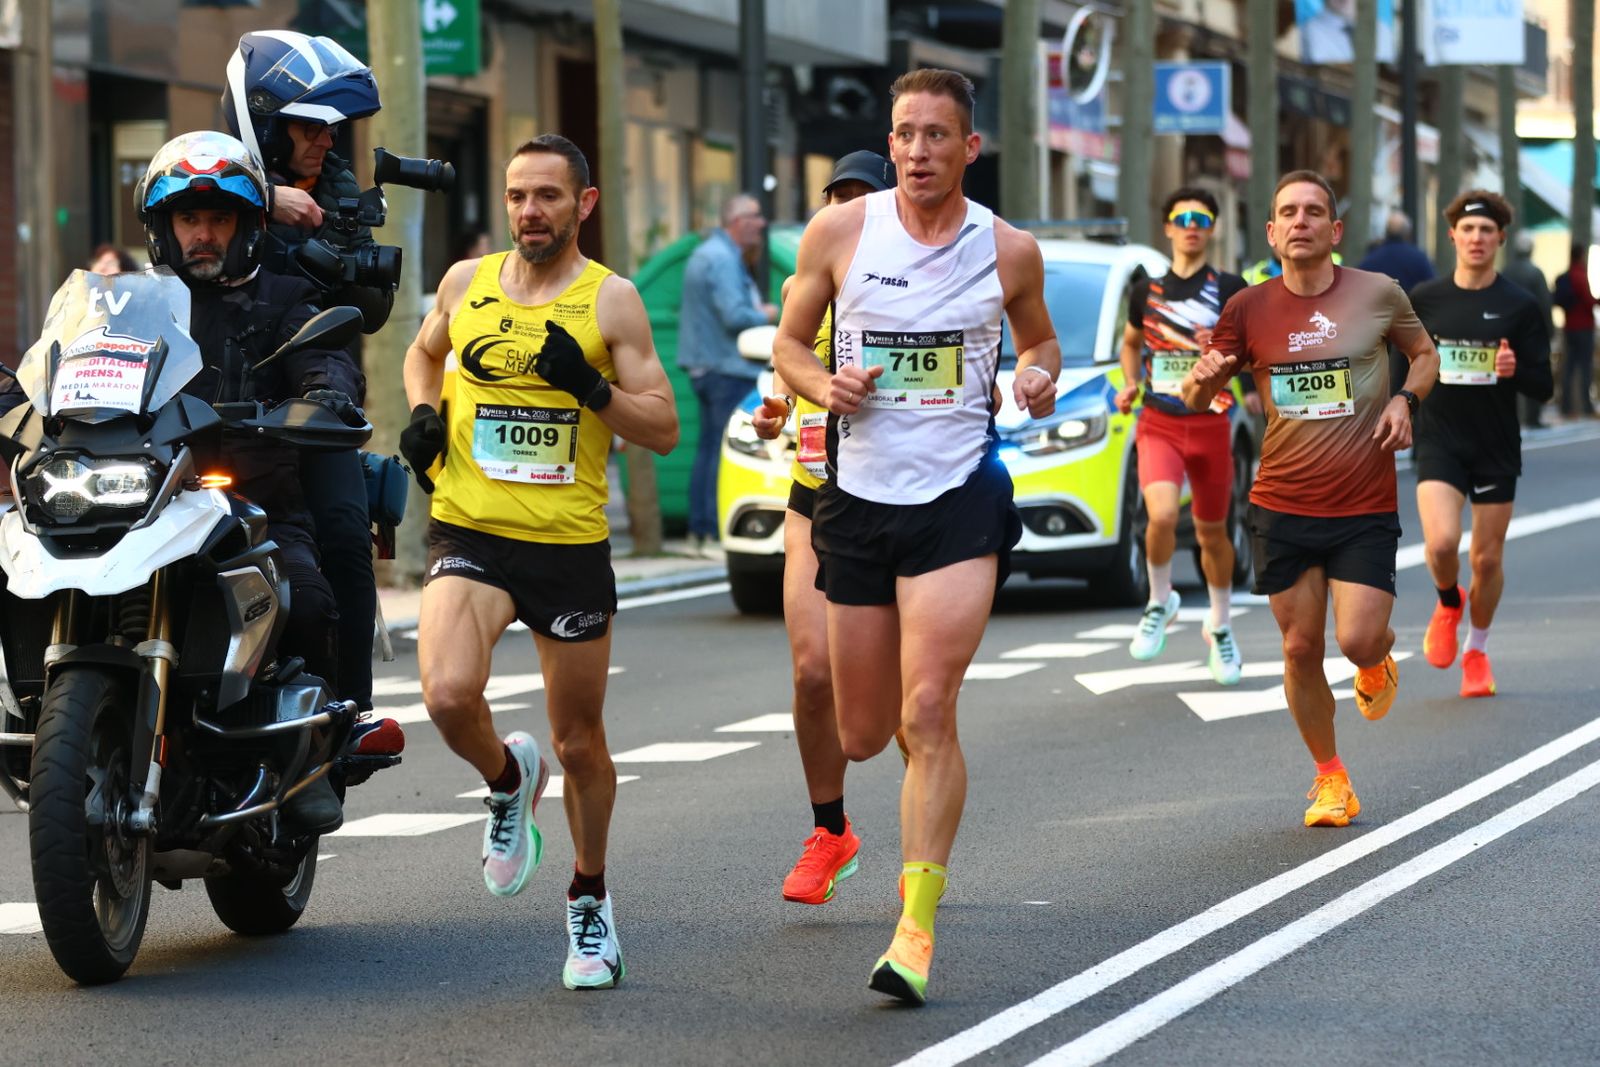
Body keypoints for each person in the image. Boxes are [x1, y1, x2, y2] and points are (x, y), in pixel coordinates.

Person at [773, 68, 1060, 1005]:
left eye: (938, 135)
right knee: (863, 731)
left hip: (958, 498)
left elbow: (1040, 342)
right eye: (906, 134)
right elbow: (788, 344)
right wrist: (822, 385)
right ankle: (857, 830)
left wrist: (1037, 375)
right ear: (890, 143)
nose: (919, 150)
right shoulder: (840, 233)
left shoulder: (1007, 249)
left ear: (969, 147)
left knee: (928, 709)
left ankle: (915, 926)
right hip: (856, 501)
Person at [0, 132, 371, 832]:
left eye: (218, 218)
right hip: (136, 494)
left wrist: (323, 392)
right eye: (188, 218)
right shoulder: (117, 304)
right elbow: (51, 363)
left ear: (247, 225)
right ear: (162, 226)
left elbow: (325, 358)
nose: (202, 234)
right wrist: (15, 398)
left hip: (245, 499)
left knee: (305, 594)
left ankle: (317, 749)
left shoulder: (286, 299)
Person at [399, 134, 678, 990]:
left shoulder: (612, 301)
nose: (530, 211)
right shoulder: (466, 282)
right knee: (448, 694)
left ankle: (589, 897)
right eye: (518, 194)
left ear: (583, 204)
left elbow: (663, 426)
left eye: (548, 196)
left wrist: (590, 388)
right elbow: (424, 352)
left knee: (580, 741)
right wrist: (423, 413)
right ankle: (508, 776)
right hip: (470, 528)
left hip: (565, 545)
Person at [1182, 169, 1439, 830]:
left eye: (1314, 211)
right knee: (1299, 648)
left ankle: (1377, 658)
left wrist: (1406, 401)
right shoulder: (1247, 308)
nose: (1301, 221)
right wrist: (1202, 379)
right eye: (1289, 213)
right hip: (1282, 503)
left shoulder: (1378, 293)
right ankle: (1330, 777)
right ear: (1272, 232)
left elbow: (1424, 354)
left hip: (1362, 503)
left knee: (1356, 639)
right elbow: (1198, 396)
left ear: (1335, 228)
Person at [223, 30, 399, 745]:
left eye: (332, 128)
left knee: (346, 537)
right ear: (265, 123)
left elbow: (372, 307)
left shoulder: (339, 191)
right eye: (309, 126)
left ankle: (351, 716)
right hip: (205, 396)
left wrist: (340, 245)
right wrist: (265, 201)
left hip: (310, 399)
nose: (327, 140)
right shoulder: (209, 169)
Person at [748, 151, 895, 907]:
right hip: (815, 492)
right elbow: (789, 359)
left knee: (911, 691)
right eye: (837, 198)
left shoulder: (919, 282)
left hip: (901, 500)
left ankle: (924, 844)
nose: (846, 211)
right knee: (811, 672)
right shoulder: (802, 283)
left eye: (862, 198)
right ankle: (830, 830)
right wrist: (779, 406)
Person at [1407, 191, 1551, 698]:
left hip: (1495, 445)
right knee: (1442, 543)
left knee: (1487, 561)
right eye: (1468, 230)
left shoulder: (1520, 305)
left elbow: (1543, 385)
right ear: (1453, 236)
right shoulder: (1425, 299)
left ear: (1500, 239)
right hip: (1440, 439)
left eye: (1486, 230)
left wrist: (1516, 370)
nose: (1476, 238)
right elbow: (1402, 362)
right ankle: (1449, 601)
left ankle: (1477, 649)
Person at [1115, 186, 1250, 685]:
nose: (1192, 227)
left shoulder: (1230, 289)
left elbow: (1250, 355)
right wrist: (1131, 382)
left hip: (1212, 422)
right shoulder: (1145, 291)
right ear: (1168, 227)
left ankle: (1220, 624)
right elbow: (1131, 344)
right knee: (1163, 515)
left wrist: (1222, 351)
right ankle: (1160, 600)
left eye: (1201, 220)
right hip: (1160, 422)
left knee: (1213, 532)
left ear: (1212, 229)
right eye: (1183, 219)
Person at [678, 192, 779, 554]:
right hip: (726, 368)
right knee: (724, 453)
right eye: (755, 216)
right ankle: (711, 532)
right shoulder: (722, 258)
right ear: (737, 222)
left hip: (707, 367)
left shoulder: (709, 252)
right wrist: (767, 313)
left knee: (708, 448)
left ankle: (700, 532)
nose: (761, 224)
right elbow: (735, 315)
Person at [1500, 231, 1556, 428]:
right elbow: (1545, 304)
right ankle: (1533, 417)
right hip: (1530, 331)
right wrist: (1549, 330)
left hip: (1507, 328)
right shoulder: (1535, 273)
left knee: (1507, 371)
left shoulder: (1506, 271)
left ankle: (1511, 414)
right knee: (1532, 371)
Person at [1552, 244, 1598, 417]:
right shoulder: (1579, 275)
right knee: (1585, 367)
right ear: (1582, 255)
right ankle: (1586, 407)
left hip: (1570, 326)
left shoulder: (1568, 274)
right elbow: (1588, 301)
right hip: (1583, 327)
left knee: (1569, 367)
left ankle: (1566, 407)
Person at [1357, 211, 1435, 294]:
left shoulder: (1370, 259)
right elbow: (1432, 288)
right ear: (1408, 232)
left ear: (1386, 231)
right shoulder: (1420, 259)